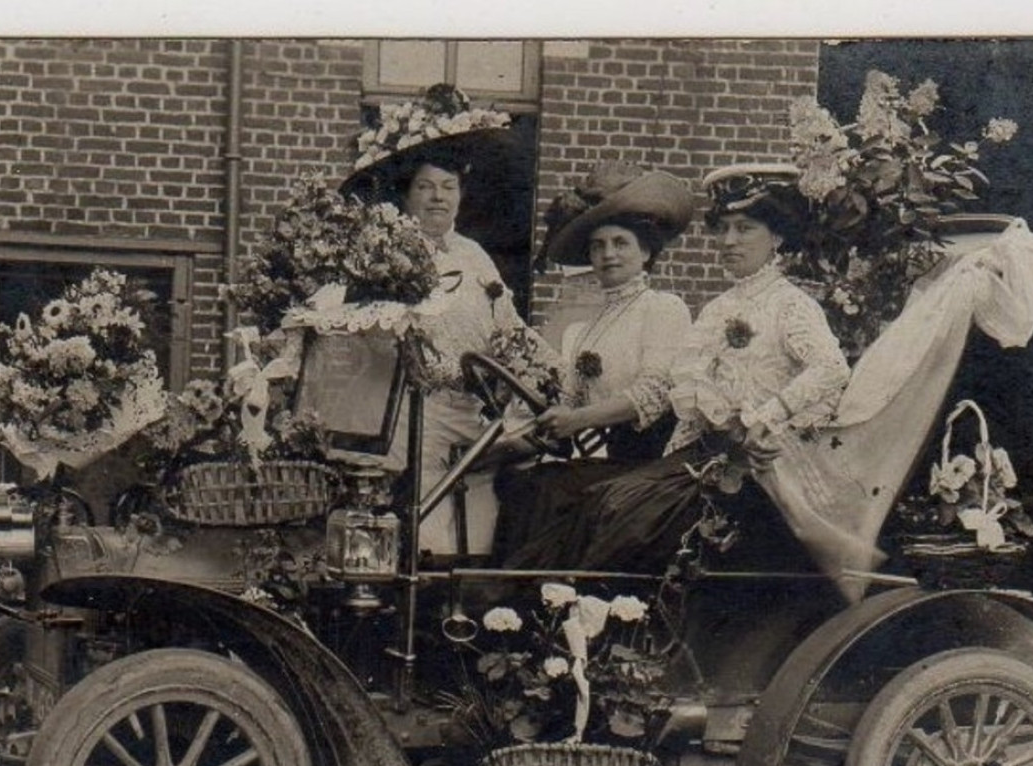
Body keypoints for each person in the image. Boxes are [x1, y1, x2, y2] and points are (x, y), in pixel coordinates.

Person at [505, 163, 852, 574]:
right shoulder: (716, 310)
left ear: (776, 236)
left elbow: (832, 368)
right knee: (597, 496)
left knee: (617, 504)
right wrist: (666, 465)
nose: (728, 241)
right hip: (701, 458)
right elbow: (690, 406)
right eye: (722, 228)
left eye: (744, 229)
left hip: (759, 464)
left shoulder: (791, 304)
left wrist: (767, 417)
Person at [341, 84, 528, 558]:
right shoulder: (385, 254)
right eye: (425, 187)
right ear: (408, 194)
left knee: (491, 515)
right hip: (406, 411)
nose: (437, 199)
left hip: (472, 414)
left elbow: (507, 328)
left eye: (448, 188)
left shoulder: (475, 257)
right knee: (422, 527)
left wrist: (539, 379)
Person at [491, 163, 696, 557]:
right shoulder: (587, 328)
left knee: (549, 490)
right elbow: (567, 403)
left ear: (646, 251)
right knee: (519, 481)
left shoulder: (663, 309)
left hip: (652, 465)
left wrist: (576, 421)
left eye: (620, 243)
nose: (608, 254)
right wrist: (508, 444)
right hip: (607, 463)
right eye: (598, 246)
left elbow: (654, 393)